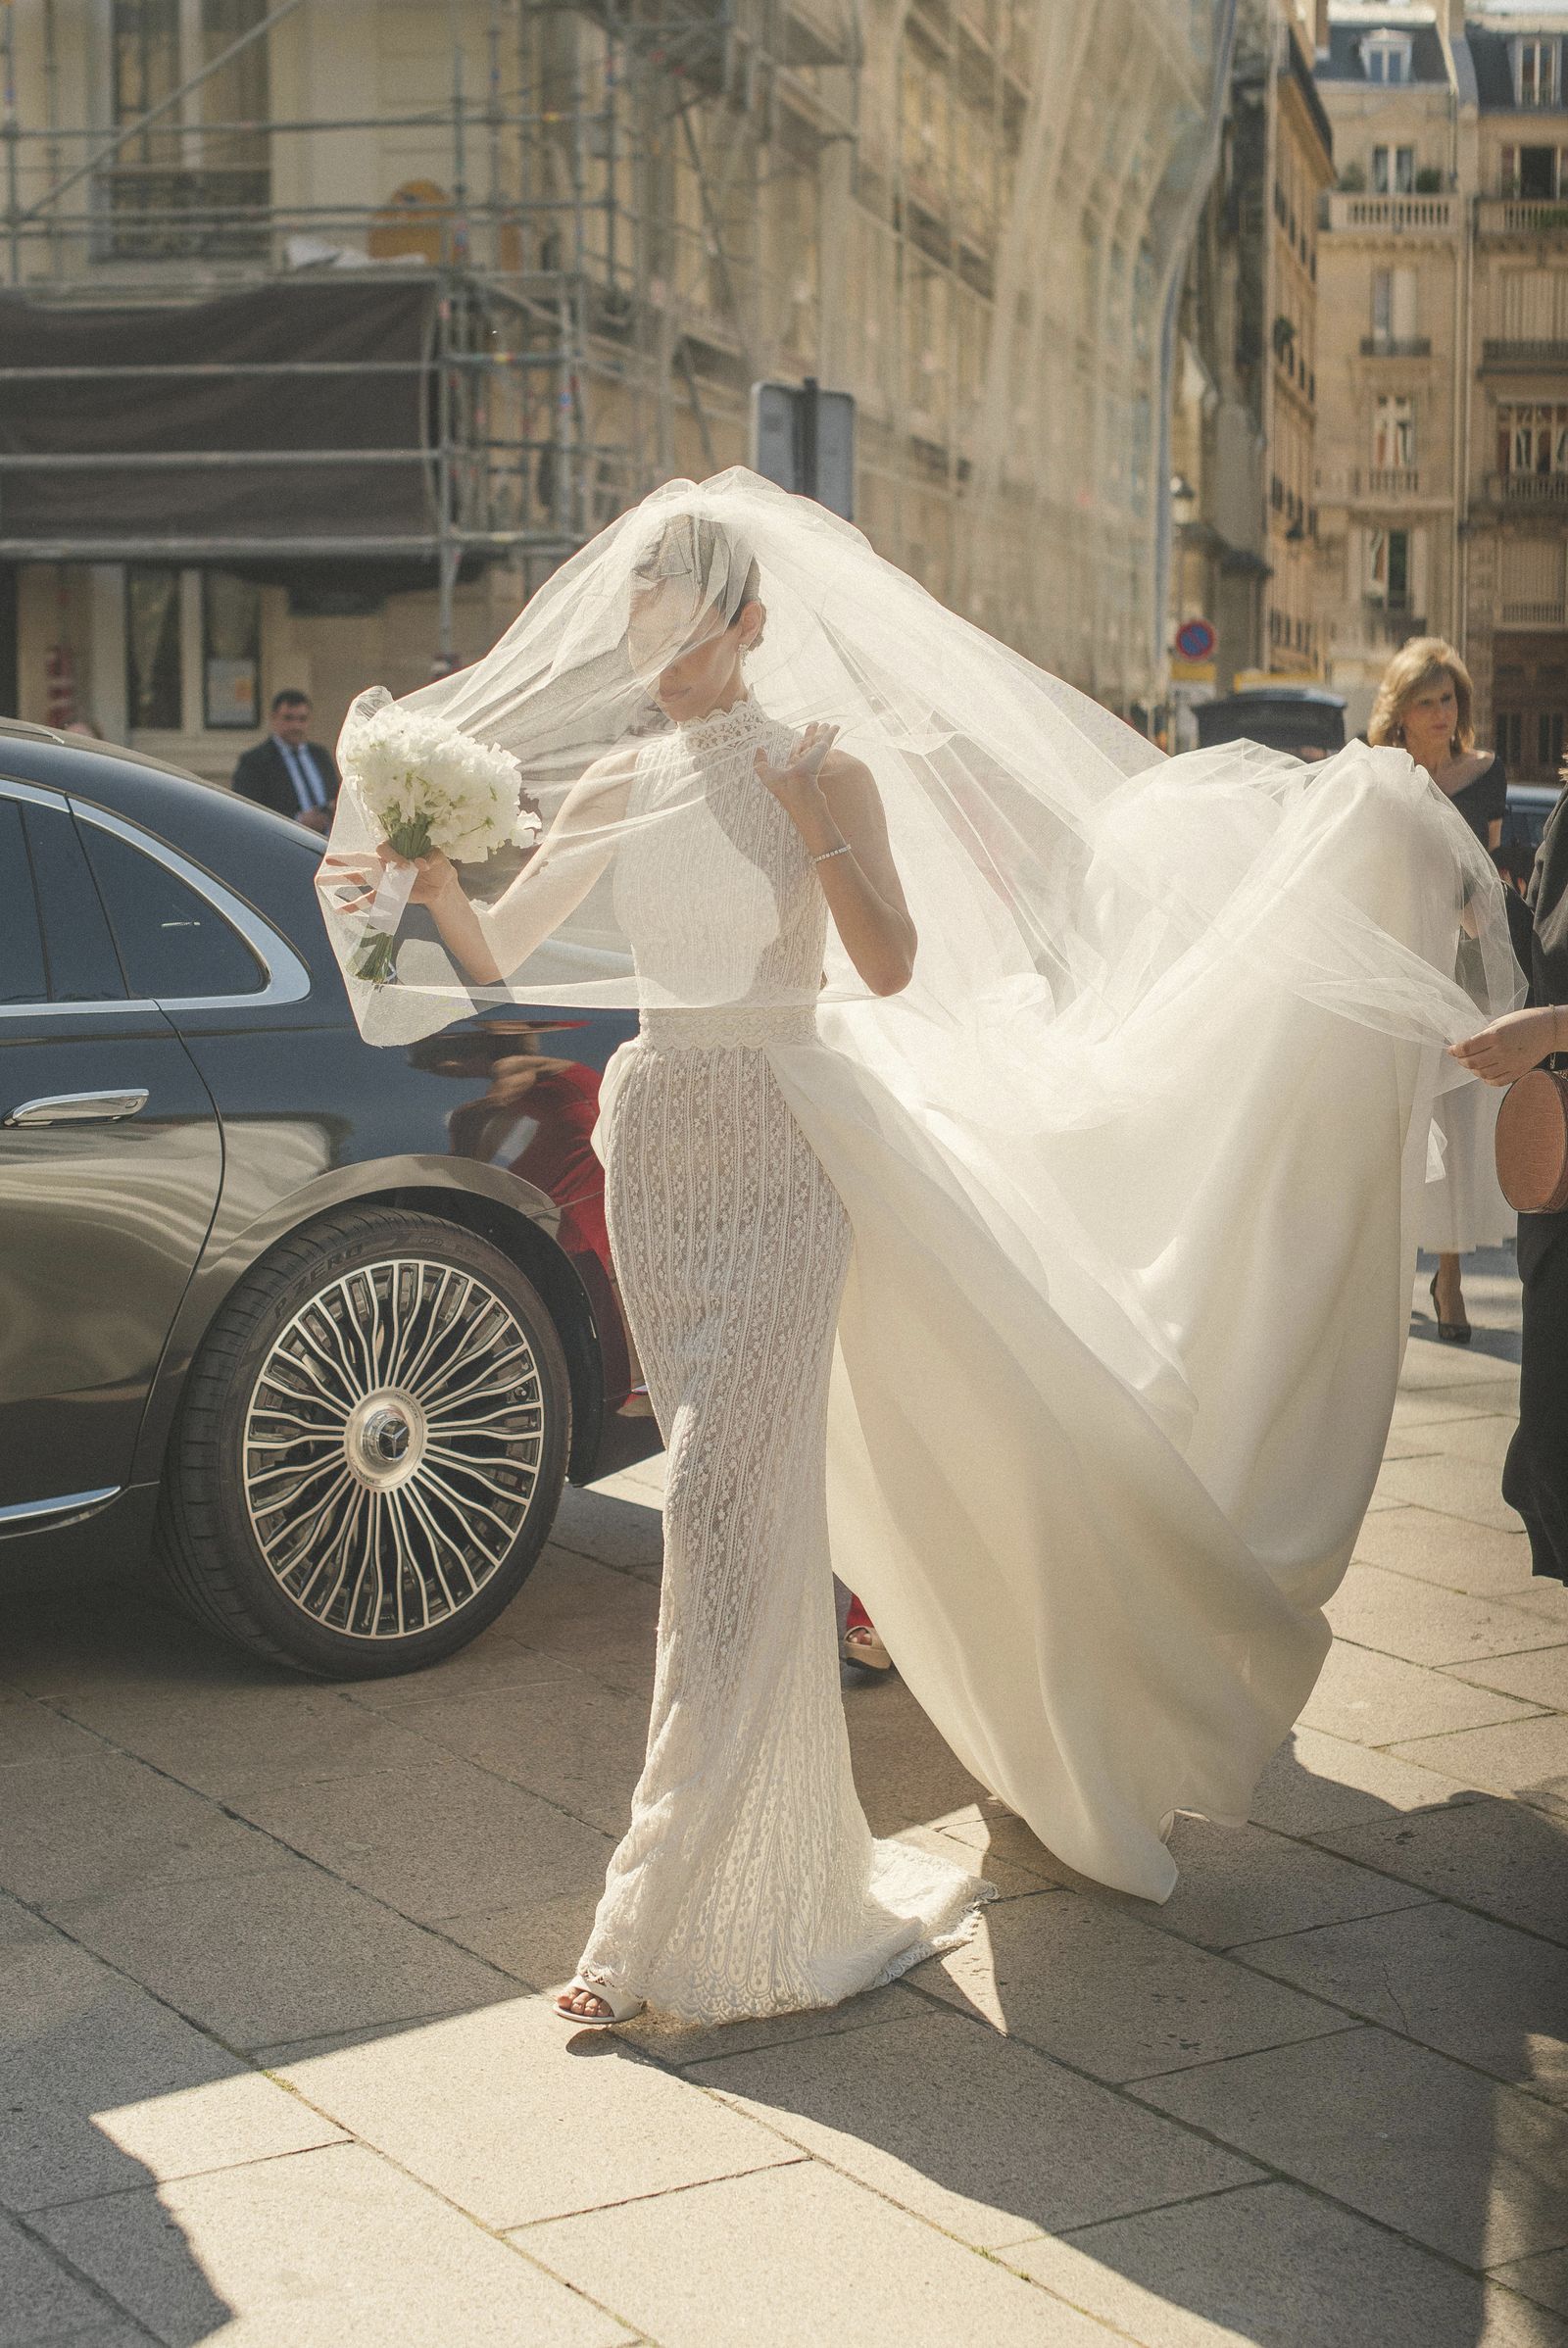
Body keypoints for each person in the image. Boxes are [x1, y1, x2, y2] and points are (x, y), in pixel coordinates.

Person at [319, 470, 1517, 2031]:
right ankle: (771, 1867)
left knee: (730, 1517)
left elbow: (884, 966)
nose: (651, 634)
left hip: (788, 1140)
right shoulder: (617, 783)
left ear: (749, 624)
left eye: (678, 608)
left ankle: (664, 1910)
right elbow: (501, 959)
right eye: (638, 606)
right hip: (669, 1136)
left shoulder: (823, 763)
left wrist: (819, 825)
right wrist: (409, 889)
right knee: (716, 1494)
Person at [1368, 639, 1511, 1344]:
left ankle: (1449, 1277)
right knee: (1393, 1111)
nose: (1439, 713)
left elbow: (1485, 874)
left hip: (1461, 965)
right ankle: (1387, 1266)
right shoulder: (1379, 775)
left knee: (1454, 1121)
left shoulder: (1485, 774)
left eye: (1447, 698)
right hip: (1394, 958)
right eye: (1424, 701)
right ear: (1401, 712)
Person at [1451, 760, 1568, 1584]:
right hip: (1558, 1176)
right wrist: (1484, 913)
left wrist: (1555, 1025)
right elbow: (1547, 956)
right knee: (1552, 1442)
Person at [231, 690, 340, 833]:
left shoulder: (320, 755)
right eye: (288, 718)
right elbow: (247, 811)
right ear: (274, 718)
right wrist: (298, 820)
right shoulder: (255, 761)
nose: (296, 726)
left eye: (302, 719)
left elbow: (335, 794)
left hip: (326, 843)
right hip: (284, 842)